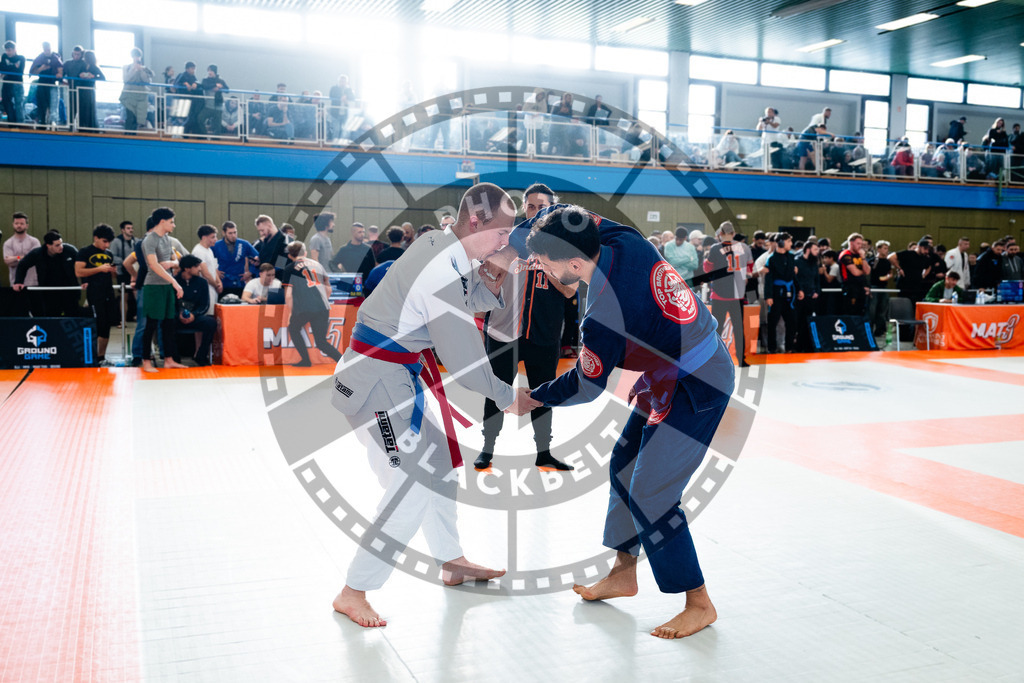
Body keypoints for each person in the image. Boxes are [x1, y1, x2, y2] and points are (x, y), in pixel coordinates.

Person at [518, 204, 734, 639]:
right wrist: (523, 236)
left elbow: (585, 386)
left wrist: (532, 398)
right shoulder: (621, 238)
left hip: (699, 381)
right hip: (669, 368)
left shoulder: (602, 316)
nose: (536, 267)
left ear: (575, 263)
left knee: (652, 492)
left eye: (542, 261)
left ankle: (698, 602)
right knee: (622, 466)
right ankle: (623, 572)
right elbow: (568, 214)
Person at [328, 182, 533, 628]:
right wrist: (506, 396)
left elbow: (469, 299)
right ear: (475, 221)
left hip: (398, 377)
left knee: (440, 464)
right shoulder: (441, 268)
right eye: (501, 234)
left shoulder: (444, 245)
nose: (506, 242)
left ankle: (451, 559)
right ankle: (353, 590)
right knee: (413, 482)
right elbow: (463, 360)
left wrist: (496, 269)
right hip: (373, 381)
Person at [475, 182, 575, 472]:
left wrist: (546, 267)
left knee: (543, 395)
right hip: (503, 331)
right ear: (524, 208)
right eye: (531, 206)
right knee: (496, 392)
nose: (535, 211)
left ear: (553, 208)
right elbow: (486, 274)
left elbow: (570, 292)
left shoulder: (564, 245)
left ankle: (544, 452)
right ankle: (487, 448)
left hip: (542, 334)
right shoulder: (509, 239)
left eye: (541, 206)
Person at [139, 207, 187, 373]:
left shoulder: (167, 239)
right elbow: (153, 265)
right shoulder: (149, 240)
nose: (174, 225)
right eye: (171, 222)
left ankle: (169, 360)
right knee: (151, 324)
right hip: (154, 286)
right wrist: (175, 282)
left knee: (169, 323)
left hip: (166, 285)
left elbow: (177, 261)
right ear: (162, 222)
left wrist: (173, 264)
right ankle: (146, 361)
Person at [282, 241, 342, 367]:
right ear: (305, 252)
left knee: (293, 328)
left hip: (303, 307)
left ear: (289, 256)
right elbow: (328, 289)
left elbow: (288, 295)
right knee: (321, 342)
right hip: (322, 307)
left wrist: (291, 314)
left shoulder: (289, 269)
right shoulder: (318, 265)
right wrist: (322, 301)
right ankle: (343, 362)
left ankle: (305, 360)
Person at [702, 221, 749, 365]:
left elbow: (707, 269)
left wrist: (706, 259)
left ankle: (712, 359)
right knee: (739, 327)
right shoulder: (741, 248)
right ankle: (742, 359)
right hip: (736, 294)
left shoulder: (715, 248)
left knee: (717, 328)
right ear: (733, 234)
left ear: (720, 234)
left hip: (719, 294)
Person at [74, 224, 118, 362]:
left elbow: (111, 275)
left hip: (108, 292)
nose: (107, 245)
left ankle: (101, 356)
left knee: (107, 325)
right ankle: (91, 355)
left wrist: (113, 272)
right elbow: (79, 271)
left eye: (109, 242)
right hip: (94, 293)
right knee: (97, 324)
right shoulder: (85, 251)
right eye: (104, 241)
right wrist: (99, 269)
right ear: (96, 238)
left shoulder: (109, 254)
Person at [13, 230, 79, 317]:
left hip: (69, 290)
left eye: (61, 243)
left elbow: (82, 265)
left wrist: (85, 281)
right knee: (52, 316)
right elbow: (22, 265)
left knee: (72, 316)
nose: (61, 247)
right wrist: (18, 281)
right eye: (57, 245)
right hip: (49, 292)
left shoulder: (70, 250)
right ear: (48, 245)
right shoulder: (37, 254)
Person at [174, 254, 217, 366]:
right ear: (188, 269)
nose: (200, 269)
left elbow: (204, 305)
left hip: (195, 317)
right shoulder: (174, 282)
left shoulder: (202, 282)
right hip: (177, 318)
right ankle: (174, 357)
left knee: (211, 323)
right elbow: (170, 304)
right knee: (166, 322)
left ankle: (201, 356)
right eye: (197, 266)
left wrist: (194, 314)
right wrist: (178, 314)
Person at [760, 232, 797, 353]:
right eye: (789, 241)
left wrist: (799, 289)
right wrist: (768, 296)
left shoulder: (791, 257)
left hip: (789, 292)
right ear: (781, 242)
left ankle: (789, 347)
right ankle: (772, 348)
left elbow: (793, 276)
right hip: (776, 293)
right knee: (773, 322)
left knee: (791, 322)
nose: (791, 244)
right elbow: (769, 279)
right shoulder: (772, 259)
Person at [3, 212, 39, 315]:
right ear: (13, 225)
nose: (19, 225)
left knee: (36, 311)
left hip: (33, 283)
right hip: (16, 284)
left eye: (22, 223)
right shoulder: (8, 243)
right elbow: (8, 262)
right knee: (19, 311)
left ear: (26, 225)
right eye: (16, 223)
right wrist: (24, 257)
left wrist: (15, 258)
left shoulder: (34, 242)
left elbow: (35, 259)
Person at [212, 221, 259, 297]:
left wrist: (251, 272)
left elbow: (258, 258)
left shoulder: (244, 244)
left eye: (235, 232)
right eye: (230, 233)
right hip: (223, 283)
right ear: (224, 233)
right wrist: (214, 271)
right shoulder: (216, 245)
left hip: (239, 282)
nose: (233, 235)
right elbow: (206, 261)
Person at [794, 240, 822, 351]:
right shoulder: (797, 262)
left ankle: (806, 345)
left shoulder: (814, 264)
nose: (817, 252)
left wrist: (817, 291)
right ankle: (796, 345)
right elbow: (796, 279)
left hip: (811, 296)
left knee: (807, 321)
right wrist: (799, 290)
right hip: (800, 297)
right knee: (797, 321)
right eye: (815, 250)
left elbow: (817, 279)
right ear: (808, 249)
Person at [191, 224, 223, 315]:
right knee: (207, 314)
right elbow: (205, 274)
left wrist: (219, 282)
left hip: (212, 288)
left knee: (213, 313)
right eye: (213, 237)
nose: (216, 239)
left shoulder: (209, 250)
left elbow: (213, 269)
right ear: (204, 237)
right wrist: (216, 285)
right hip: (205, 289)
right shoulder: (198, 251)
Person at [889, 238, 934, 302]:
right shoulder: (908, 254)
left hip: (916, 285)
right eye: (925, 249)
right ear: (919, 247)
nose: (926, 251)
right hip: (905, 284)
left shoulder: (924, 257)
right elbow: (891, 257)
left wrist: (923, 275)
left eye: (928, 249)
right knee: (904, 304)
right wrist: (899, 268)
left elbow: (929, 267)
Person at [120, 48, 153, 132]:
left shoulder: (144, 69)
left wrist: (141, 70)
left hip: (140, 97)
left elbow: (146, 81)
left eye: (138, 56)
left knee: (137, 119)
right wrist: (133, 69)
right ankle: (127, 136)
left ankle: (133, 136)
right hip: (129, 96)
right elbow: (126, 79)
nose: (136, 58)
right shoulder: (126, 67)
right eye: (135, 56)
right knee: (130, 116)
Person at [29, 42, 62, 127]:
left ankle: (53, 124)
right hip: (42, 83)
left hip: (52, 83)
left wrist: (57, 75)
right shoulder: (40, 58)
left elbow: (60, 72)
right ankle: (42, 122)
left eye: (48, 49)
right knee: (42, 104)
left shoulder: (55, 58)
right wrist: (41, 68)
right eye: (45, 49)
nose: (47, 50)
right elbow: (33, 71)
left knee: (53, 105)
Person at [838, 233, 871, 315]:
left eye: (861, 244)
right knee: (850, 311)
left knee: (860, 312)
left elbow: (868, 271)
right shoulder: (845, 254)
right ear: (851, 243)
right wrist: (863, 271)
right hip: (849, 287)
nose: (860, 246)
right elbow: (855, 272)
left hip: (860, 287)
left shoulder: (860, 255)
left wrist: (863, 257)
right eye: (858, 243)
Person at [75, 50, 105, 130]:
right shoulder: (83, 66)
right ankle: (82, 126)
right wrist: (80, 75)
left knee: (89, 108)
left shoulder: (94, 67)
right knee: (81, 108)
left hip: (89, 90)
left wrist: (92, 76)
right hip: (81, 90)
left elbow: (103, 78)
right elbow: (77, 75)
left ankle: (90, 126)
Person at [197, 65, 228, 136]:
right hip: (208, 106)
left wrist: (221, 87)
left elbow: (227, 89)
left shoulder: (221, 80)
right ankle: (205, 135)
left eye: (211, 71)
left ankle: (216, 140)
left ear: (214, 71)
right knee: (200, 119)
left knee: (217, 126)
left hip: (218, 107)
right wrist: (215, 86)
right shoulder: (205, 80)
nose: (209, 72)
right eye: (208, 71)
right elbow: (204, 86)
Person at [1, 41, 27, 124]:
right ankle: (11, 122)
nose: (8, 52)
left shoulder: (21, 58)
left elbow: (20, 72)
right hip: (7, 83)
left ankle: (20, 123)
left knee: (18, 104)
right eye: (7, 50)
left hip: (17, 83)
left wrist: (7, 70)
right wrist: (13, 67)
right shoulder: (4, 56)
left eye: (10, 50)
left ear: (14, 49)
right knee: (6, 102)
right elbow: (2, 69)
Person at [255, 214, 288, 279]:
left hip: (279, 281)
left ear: (269, 225)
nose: (261, 234)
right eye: (259, 231)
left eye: (262, 230)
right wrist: (258, 262)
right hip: (265, 280)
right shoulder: (265, 241)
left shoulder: (285, 240)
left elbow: (282, 265)